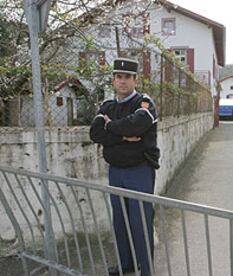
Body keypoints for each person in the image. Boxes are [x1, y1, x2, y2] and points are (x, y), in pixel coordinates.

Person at [90, 58, 160, 276]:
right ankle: (126, 264)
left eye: (127, 77)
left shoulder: (144, 103)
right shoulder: (107, 106)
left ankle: (146, 269)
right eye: (118, 77)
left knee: (140, 222)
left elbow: (138, 124)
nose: (122, 81)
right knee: (120, 222)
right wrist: (124, 137)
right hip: (116, 171)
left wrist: (111, 126)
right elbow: (95, 133)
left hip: (139, 171)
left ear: (135, 80)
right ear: (113, 79)